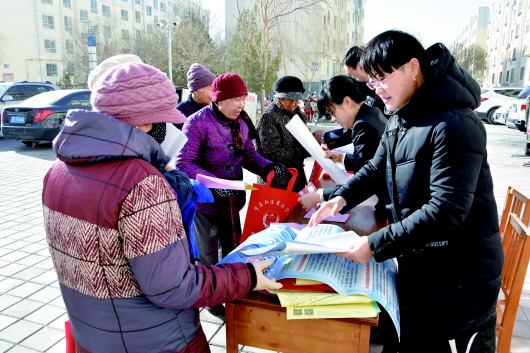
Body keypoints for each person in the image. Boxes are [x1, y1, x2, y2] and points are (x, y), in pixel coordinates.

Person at [42, 62, 282, 353]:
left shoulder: (57, 170)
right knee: (209, 251)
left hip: (93, 334)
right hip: (156, 338)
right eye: (163, 122)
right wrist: (249, 276)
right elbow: (174, 285)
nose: (168, 131)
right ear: (143, 123)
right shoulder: (142, 182)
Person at [309, 30, 503, 353]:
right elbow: (375, 169)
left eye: (383, 78)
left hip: (460, 279)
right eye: (372, 81)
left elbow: (446, 210)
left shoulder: (456, 123)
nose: (378, 89)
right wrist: (339, 197)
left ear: (413, 67)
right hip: (424, 264)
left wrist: (374, 244)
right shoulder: (402, 116)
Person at [175, 73, 288, 316]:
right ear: (218, 99)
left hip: (233, 201)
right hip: (205, 204)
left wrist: (268, 166)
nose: (240, 104)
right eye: (235, 99)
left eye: (243, 98)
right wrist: (214, 184)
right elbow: (184, 162)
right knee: (208, 253)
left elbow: (249, 154)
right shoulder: (197, 122)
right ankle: (210, 299)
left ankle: (232, 291)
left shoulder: (242, 122)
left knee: (233, 249)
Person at [298, 75, 389, 220]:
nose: (333, 119)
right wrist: (343, 158)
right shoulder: (372, 113)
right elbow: (375, 162)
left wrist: (320, 195)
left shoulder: (363, 126)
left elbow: (365, 181)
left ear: (347, 102)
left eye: (332, 112)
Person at [255, 75, 310, 192]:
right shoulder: (269, 117)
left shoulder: (295, 114)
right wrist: (304, 151)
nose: (294, 103)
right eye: (290, 99)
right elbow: (273, 153)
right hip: (276, 183)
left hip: (294, 179)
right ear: (279, 98)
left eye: (296, 100)